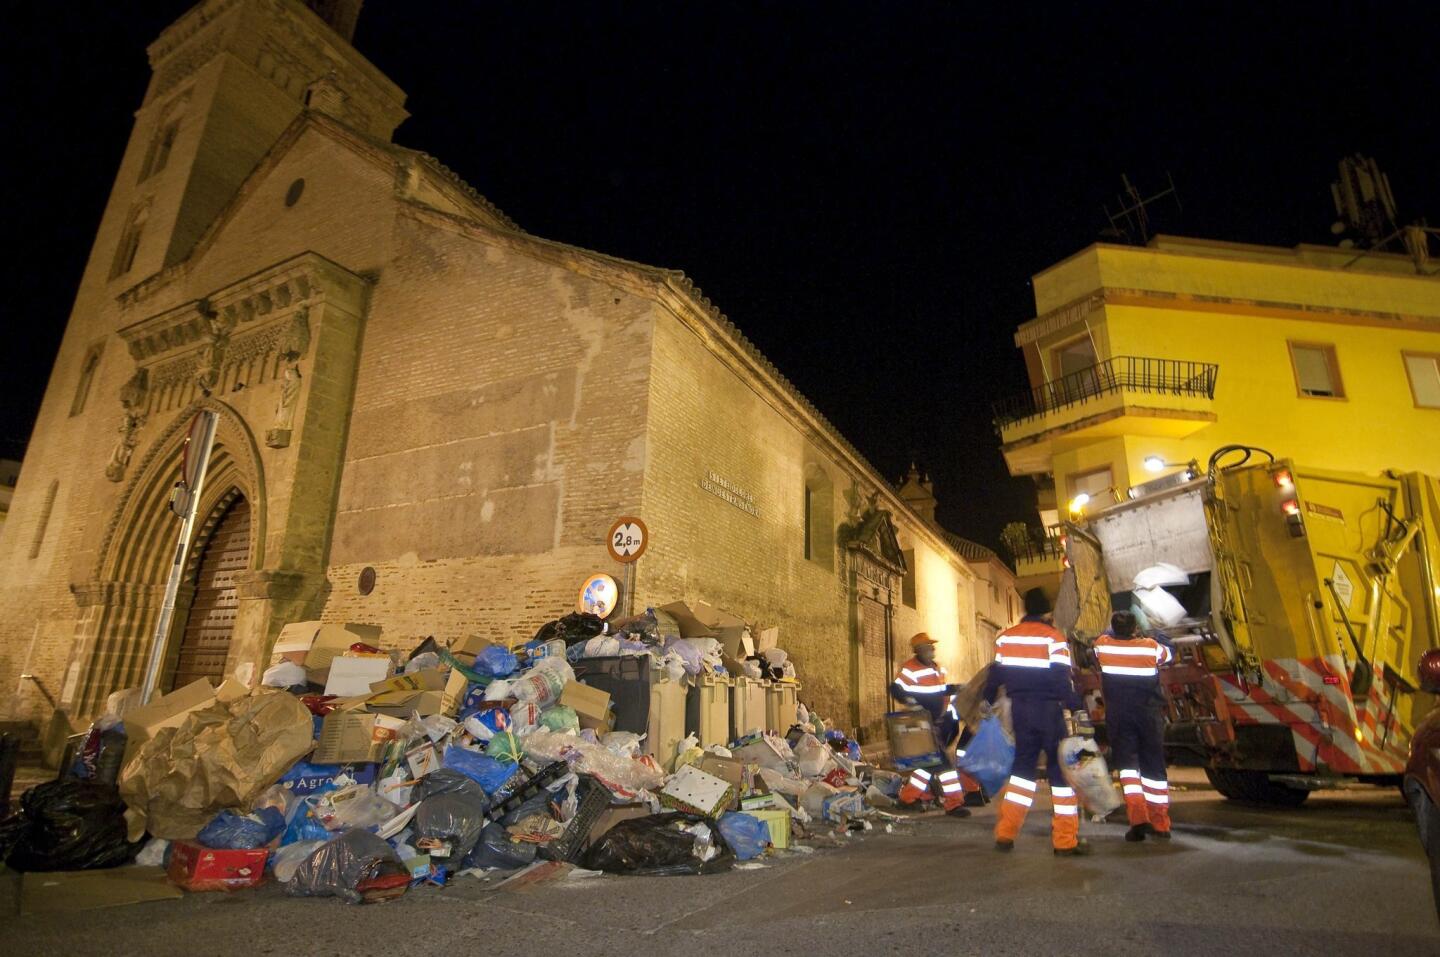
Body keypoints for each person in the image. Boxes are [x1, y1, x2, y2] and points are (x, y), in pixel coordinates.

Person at [984, 588, 1088, 856]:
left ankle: (1005, 834)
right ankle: (1065, 841)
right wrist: (1076, 705)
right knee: (1060, 772)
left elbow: (995, 676)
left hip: (1021, 710)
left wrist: (985, 701)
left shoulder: (1005, 638)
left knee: (1022, 772)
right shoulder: (1054, 638)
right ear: (1045, 611)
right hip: (1048, 711)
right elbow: (1060, 678)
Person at [1094, 610, 1173, 841]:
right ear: (1135, 628)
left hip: (1120, 716)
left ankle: (1138, 822)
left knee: (1128, 770)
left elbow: (1101, 639)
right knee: (1154, 769)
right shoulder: (1150, 647)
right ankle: (1160, 824)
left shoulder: (1104, 647)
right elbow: (1169, 654)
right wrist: (1159, 633)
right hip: (1148, 715)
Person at [890, 632, 973, 817]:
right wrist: (911, 701)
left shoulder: (937, 668)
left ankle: (908, 798)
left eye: (932, 646)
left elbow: (938, 691)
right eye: (929, 646)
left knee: (927, 765)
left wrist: (955, 689)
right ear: (919, 650)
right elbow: (895, 689)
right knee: (946, 766)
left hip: (936, 722)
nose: (932, 649)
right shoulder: (910, 669)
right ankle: (953, 804)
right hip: (921, 723)